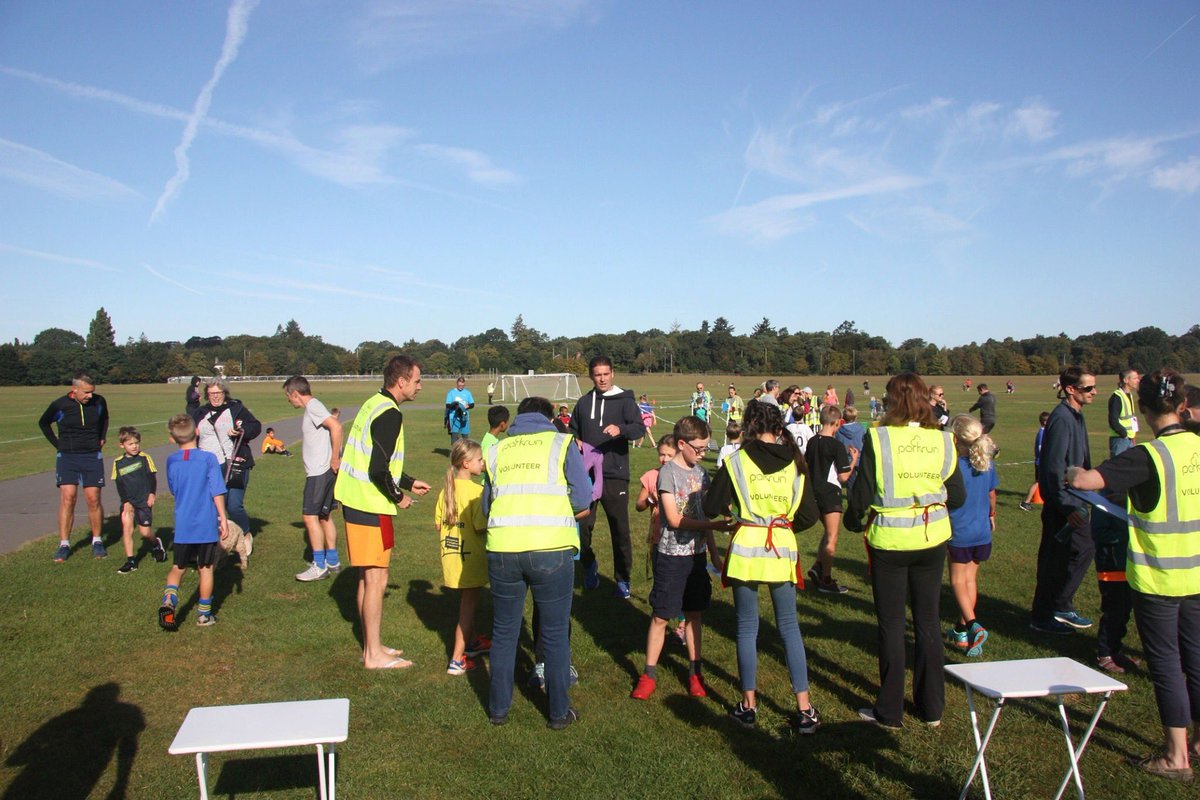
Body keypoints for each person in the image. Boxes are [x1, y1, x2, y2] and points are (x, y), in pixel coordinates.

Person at [1067, 368, 1200, 782]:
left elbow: (1090, 480)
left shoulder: (1147, 456)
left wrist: (1072, 473)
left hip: (1159, 579)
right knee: (1197, 659)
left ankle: (1177, 757)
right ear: (1183, 407)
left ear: (1141, 408)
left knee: (1166, 663)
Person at [846, 372, 965, 728]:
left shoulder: (879, 438)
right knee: (928, 622)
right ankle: (932, 708)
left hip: (892, 542)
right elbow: (957, 495)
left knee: (893, 625)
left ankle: (890, 710)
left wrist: (855, 520)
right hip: (932, 539)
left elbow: (862, 494)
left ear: (892, 401)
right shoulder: (943, 440)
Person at [704, 400, 822, 734]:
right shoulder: (797, 463)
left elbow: (711, 505)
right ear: (778, 427)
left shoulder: (737, 460)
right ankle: (804, 708)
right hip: (781, 547)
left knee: (746, 627)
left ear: (750, 426)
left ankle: (749, 705)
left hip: (746, 548)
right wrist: (784, 527)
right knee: (789, 626)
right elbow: (810, 514)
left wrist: (737, 514)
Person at [482, 396, 592, 728]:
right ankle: (558, 713)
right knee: (556, 634)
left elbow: (488, 505)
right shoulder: (561, 443)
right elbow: (582, 496)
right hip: (551, 547)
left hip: (502, 547)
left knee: (504, 632)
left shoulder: (497, 449)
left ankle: (498, 709)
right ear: (548, 417)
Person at [333, 355, 431, 669]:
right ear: (400, 381)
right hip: (368, 503)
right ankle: (372, 655)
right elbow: (377, 470)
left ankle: (373, 646)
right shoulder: (390, 413)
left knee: (369, 576)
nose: (419, 386)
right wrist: (398, 496)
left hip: (357, 500)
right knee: (377, 578)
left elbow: (380, 462)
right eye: (416, 380)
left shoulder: (374, 402)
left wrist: (409, 481)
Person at [630, 416, 729, 701]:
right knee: (662, 615)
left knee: (695, 614)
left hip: (696, 557)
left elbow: (705, 515)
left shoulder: (702, 474)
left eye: (706, 447)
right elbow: (674, 520)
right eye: (698, 448)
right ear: (682, 444)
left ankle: (695, 673)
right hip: (671, 557)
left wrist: (714, 553)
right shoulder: (667, 474)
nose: (702, 453)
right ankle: (648, 675)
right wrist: (713, 527)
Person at [569, 356, 645, 598]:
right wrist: (576, 441)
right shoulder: (583, 403)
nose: (601, 378)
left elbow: (639, 429)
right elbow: (571, 432)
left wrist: (621, 429)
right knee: (583, 527)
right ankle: (589, 564)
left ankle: (623, 579)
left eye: (605, 374)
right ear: (591, 376)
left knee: (619, 529)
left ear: (612, 373)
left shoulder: (625, 401)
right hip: (586, 476)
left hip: (615, 474)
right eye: (597, 374)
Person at [1030, 367, 1098, 634]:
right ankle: (1049, 611)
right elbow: (1053, 468)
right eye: (1088, 388)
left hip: (1075, 499)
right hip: (1064, 504)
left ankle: (1058, 605)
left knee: (1073, 552)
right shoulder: (1061, 418)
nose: (1094, 392)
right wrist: (1065, 505)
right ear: (1070, 389)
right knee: (1059, 557)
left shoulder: (1075, 415)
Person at [157, 414, 229, 630]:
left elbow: (173, 488)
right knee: (205, 568)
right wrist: (223, 518)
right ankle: (204, 615)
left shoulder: (171, 460)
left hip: (183, 524)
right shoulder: (208, 459)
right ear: (197, 432)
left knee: (177, 567)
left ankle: (169, 601)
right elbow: (217, 490)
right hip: (205, 524)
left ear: (172, 438)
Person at [39, 371, 109, 562]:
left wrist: (102, 437)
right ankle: (64, 544)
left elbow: (105, 419)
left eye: (92, 392)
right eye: (86, 392)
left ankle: (97, 541)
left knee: (93, 498)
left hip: (91, 455)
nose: (90, 396)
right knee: (68, 498)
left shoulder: (99, 402)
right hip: (68, 457)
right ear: (74, 389)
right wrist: (57, 444)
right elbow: (44, 423)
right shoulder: (60, 405)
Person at [435, 438, 491, 675]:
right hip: (472, 559)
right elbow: (480, 526)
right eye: (479, 460)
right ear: (467, 464)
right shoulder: (477, 492)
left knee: (469, 599)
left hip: (452, 558)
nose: (483, 463)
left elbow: (438, 525)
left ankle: (473, 642)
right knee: (467, 606)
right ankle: (457, 659)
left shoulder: (446, 490)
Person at [944, 415, 998, 658]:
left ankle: (974, 626)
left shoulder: (955, 467)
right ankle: (962, 629)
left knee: (957, 581)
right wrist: (992, 515)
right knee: (970, 581)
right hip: (981, 531)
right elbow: (991, 494)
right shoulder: (987, 464)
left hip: (960, 530)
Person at [284, 376, 345, 582]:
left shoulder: (312, 406)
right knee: (324, 517)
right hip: (324, 471)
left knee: (310, 517)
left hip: (319, 472)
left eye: (288, 396)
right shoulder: (315, 407)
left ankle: (319, 565)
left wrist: (335, 457)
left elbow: (336, 427)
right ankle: (333, 560)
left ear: (295, 393)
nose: (289, 401)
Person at [191, 379, 260, 540]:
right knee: (212, 506)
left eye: (218, 393)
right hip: (208, 465)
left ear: (224, 393)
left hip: (235, 462)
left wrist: (241, 430)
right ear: (207, 395)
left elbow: (255, 426)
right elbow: (189, 433)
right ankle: (215, 541)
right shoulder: (200, 413)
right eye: (211, 393)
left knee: (233, 505)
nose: (215, 397)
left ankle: (244, 534)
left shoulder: (236, 408)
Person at [805, 405, 857, 594]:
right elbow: (843, 477)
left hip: (813, 493)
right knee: (832, 537)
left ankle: (818, 567)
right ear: (837, 423)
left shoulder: (812, 441)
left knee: (827, 533)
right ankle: (826, 580)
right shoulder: (836, 445)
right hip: (830, 494)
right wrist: (853, 461)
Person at [112, 426, 166, 574]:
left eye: (137, 443)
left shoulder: (145, 458)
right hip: (128, 502)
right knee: (127, 529)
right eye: (130, 444)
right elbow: (119, 484)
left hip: (143, 500)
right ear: (122, 445)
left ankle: (156, 543)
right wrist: (126, 502)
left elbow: (152, 478)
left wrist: (151, 494)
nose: (135, 446)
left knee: (144, 532)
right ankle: (131, 561)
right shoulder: (118, 462)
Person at [1020, 411, 1051, 511]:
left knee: (1043, 482)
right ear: (1045, 422)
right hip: (1042, 463)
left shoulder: (1045, 432)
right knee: (1038, 482)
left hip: (1043, 462)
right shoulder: (1042, 434)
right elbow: (1041, 449)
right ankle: (1026, 502)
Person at [1108, 369, 1141, 457]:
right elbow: (1113, 420)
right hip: (1120, 439)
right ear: (1125, 380)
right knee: (1117, 467)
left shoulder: (1129, 395)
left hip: (1129, 438)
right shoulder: (1117, 397)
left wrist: (1132, 436)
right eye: (1135, 378)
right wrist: (1124, 434)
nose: (1138, 380)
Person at [444, 376, 475, 445]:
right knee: (454, 437)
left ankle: (465, 454)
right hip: (454, 418)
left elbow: (472, 404)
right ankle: (454, 453)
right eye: (460, 385)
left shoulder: (467, 393)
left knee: (465, 438)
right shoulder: (451, 392)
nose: (461, 386)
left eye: (463, 385)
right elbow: (447, 405)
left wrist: (468, 406)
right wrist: (455, 405)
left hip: (465, 418)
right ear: (457, 383)